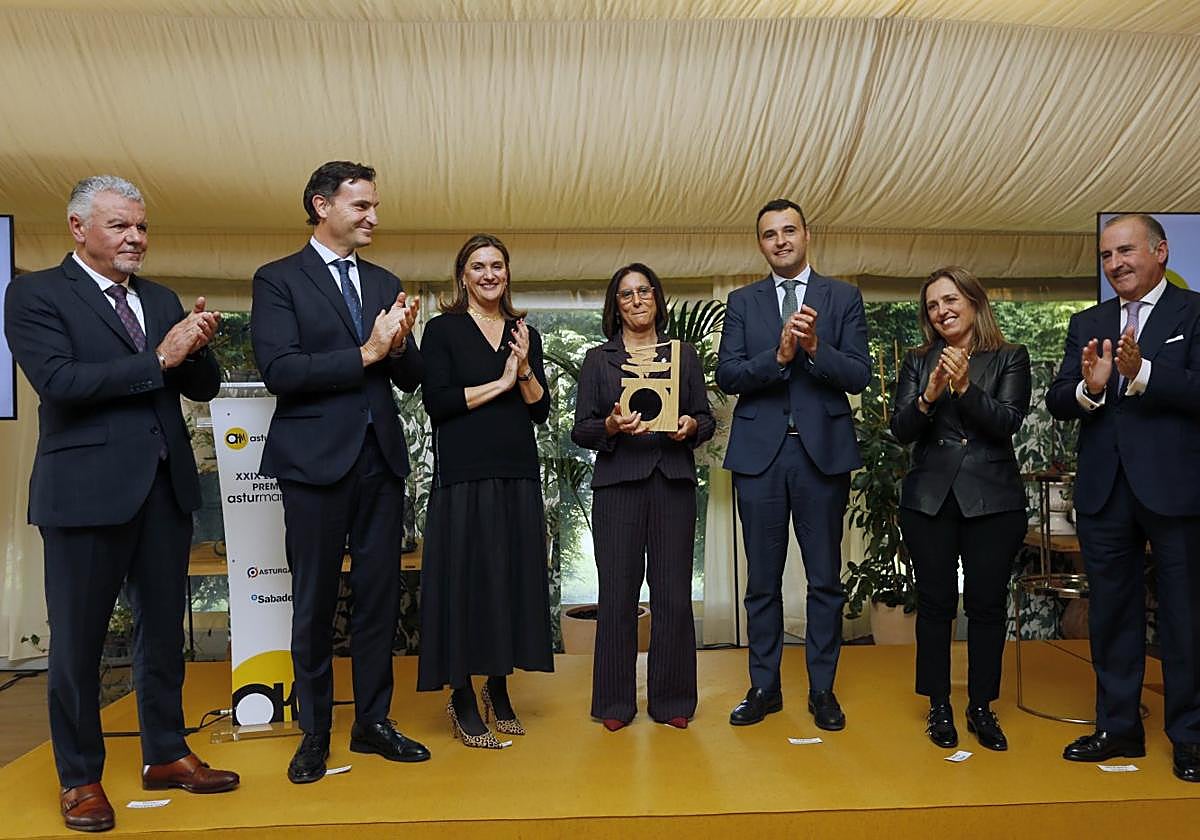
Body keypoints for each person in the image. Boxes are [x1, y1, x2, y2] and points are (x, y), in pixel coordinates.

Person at [4, 175, 238, 832]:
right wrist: (160, 357)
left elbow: (203, 386)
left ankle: (165, 754)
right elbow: (60, 382)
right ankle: (79, 779)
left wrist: (197, 343)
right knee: (77, 647)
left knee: (162, 637)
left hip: (164, 495)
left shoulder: (160, 297)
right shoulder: (35, 294)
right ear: (79, 228)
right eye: (120, 226)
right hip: (82, 499)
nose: (135, 237)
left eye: (141, 227)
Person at [251, 161, 429, 783]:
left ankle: (374, 723)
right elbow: (281, 371)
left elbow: (408, 378)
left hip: (380, 461)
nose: (372, 217)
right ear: (321, 206)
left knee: (381, 599)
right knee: (315, 603)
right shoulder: (277, 281)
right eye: (361, 206)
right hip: (313, 465)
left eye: (375, 206)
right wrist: (367, 352)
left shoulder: (385, 281)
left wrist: (401, 346)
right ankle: (316, 733)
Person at [1047, 213, 1200, 782]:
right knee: (1111, 614)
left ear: (1160, 252)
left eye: (1126, 251)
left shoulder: (1195, 312)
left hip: (1177, 490)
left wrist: (1145, 374)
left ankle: (1190, 735)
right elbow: (1060, 397)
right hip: (1105, 490)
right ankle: (1117, 728)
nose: (1116, 265)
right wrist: (1089, 388)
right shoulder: (1088, 320)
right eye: (1107, 256)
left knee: (1186, 617)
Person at [716, 198, 870, 730]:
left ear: (807, 235)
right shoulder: (742, 302)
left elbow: (858, 375)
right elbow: (728, 375)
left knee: (824, 580)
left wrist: (813, 348)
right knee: (762, 581)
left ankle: (822, 691)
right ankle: (764, 687)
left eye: (788, 231)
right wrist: (779, 358)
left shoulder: (844, 297)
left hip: (821, 456)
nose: (780, 240)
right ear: (760, 244)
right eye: (768, 234)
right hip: (760, 458)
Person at [417, 234, 554, 748]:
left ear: (508, 273)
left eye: (497, 265)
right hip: (464, 478)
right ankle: (461, 694)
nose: (489, 274)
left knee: (509, 581)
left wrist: (521, 373)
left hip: (516, 472)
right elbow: (440, 401)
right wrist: (500, 383)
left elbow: (538, 409)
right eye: (479, 266)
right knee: (467, 583)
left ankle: (499, 687)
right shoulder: (443, 330)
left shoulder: (525, 333)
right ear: (463, 275)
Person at [890, 267, 1031, 751]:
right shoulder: (916, 361)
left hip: (993, 499)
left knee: (986, 606)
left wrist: (967, 388)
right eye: (932, 305)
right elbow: (902, 429)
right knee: (934, 605)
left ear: (973, 302)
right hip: (929, 499)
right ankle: (939, 706)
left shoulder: (1010, 356)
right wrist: (929, 395)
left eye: (950, 300)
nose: (942, 311)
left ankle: (981, 706)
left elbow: (1008, 423)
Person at [571, 263, 715, 731]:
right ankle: (614, 703)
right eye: (626, 294)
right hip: (618, 487)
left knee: (673, 595)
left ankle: (672, 699)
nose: (636, 300)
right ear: (615, 306)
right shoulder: (598, 360)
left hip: (671, 481)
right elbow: (582, 428)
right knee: (617, 595)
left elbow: (705, 418)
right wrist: (610, 427)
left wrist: (693, 427)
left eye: (644, 291)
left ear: (657, 298)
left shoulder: (684, 355)